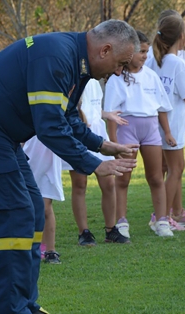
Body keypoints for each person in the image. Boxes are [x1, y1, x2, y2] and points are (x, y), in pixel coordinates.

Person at [0, 20, 140, 314]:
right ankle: (11, 309)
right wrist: (93, 165)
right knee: (15, 213)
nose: (119, 71)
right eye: (121, 63)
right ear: (105, 50)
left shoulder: (76, 58)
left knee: (33, 207)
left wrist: (102, 146)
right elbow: (48, 127)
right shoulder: (58, 56)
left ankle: (24, 304)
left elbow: (68, 117)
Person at [104, 30, 174, 237]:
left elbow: (161, 108)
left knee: (155, 176)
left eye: (146, 51)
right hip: (127, 129)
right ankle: (121, 222)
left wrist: (167, 132)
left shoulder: (152, 76)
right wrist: (114, 143)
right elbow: (111, 116)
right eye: (140, 51)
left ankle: (162, 221)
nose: (145, 56)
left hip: (150, 130)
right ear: (127, 52)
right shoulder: (115, 80)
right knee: (123, 179)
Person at [146, 15, 185, 234]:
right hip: (172, 125)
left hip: (156, 123)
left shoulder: (153, 60)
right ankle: (163, 216)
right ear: (182, 36)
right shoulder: (178, 62)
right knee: (176, 168)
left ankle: (171, 213)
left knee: (170, 169)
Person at [64, 78, 128, 245]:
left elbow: (94, 108)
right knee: (80, 184)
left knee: (108, 184)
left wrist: (106, 115)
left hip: (98, 136)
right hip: (78, 135)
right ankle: (83, 232)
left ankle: (111, 230)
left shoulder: (94, 81)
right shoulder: (74, 78)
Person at [22, 136, 64, 264]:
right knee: (26, 205)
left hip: (48, 160)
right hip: (27, 156)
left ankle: (50, 250)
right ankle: (28, 245)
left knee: (45, 207)